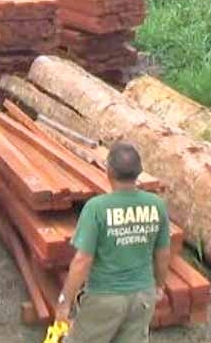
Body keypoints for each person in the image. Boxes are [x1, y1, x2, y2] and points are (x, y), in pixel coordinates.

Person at [56, 142, 171, 343]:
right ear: (139, 172)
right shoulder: (156, 206)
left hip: (105, 298)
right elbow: (163, 253)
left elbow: (82, 260)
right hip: (143, 297)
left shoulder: (97, 208)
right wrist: (159, 286)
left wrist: (65, 301)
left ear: (108, 171)